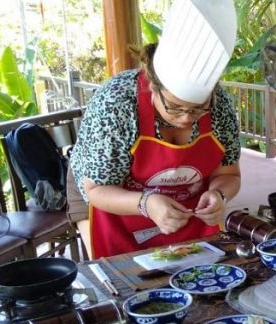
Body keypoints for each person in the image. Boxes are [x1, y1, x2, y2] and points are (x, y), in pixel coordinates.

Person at [69, 0, 240, 259]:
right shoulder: (116, 103)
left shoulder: (220, 105)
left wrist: (219, 194)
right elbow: (96, 190)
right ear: (152, 85)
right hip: (105, 197)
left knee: (193, 271)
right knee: (120, 280)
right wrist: (146, 202)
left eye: (198, 109)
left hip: (184, 203)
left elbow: (229, 173)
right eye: (174, 107)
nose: (186, 119)